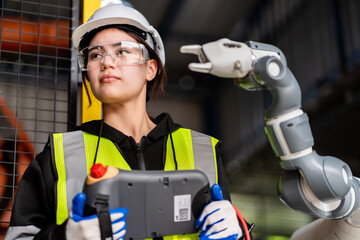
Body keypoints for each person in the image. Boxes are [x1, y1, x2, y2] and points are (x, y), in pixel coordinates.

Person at [5, 3, 252, 240]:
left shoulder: (203, 151)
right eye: (95, 54)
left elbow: (230, 231)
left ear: (151, 68)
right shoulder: (58, 156)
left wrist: (238, 232)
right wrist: (65, 236)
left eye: (121, 50)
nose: (106, 62)